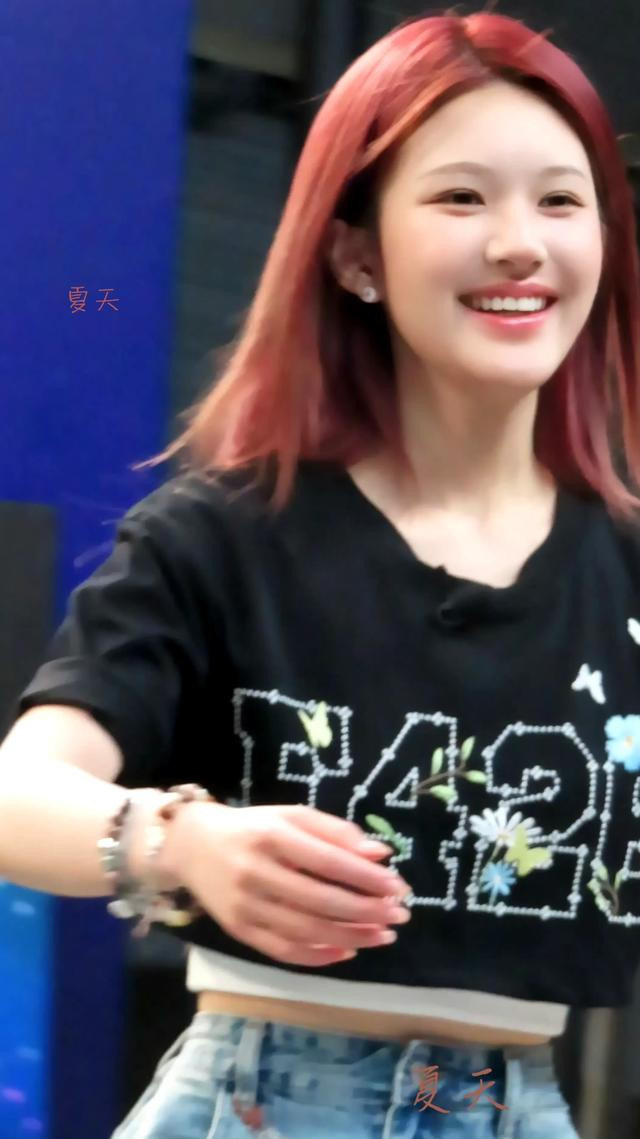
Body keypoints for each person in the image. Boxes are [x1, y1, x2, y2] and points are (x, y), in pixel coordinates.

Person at [1, 7, 640, 1137]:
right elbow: (19, 794)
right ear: (355, 254)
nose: (519, 244)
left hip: (521, 1106)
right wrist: (180, 842)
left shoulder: (623, 568)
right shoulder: (223, 534)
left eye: (560, 200)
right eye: (461, 197)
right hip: (259, 1100)